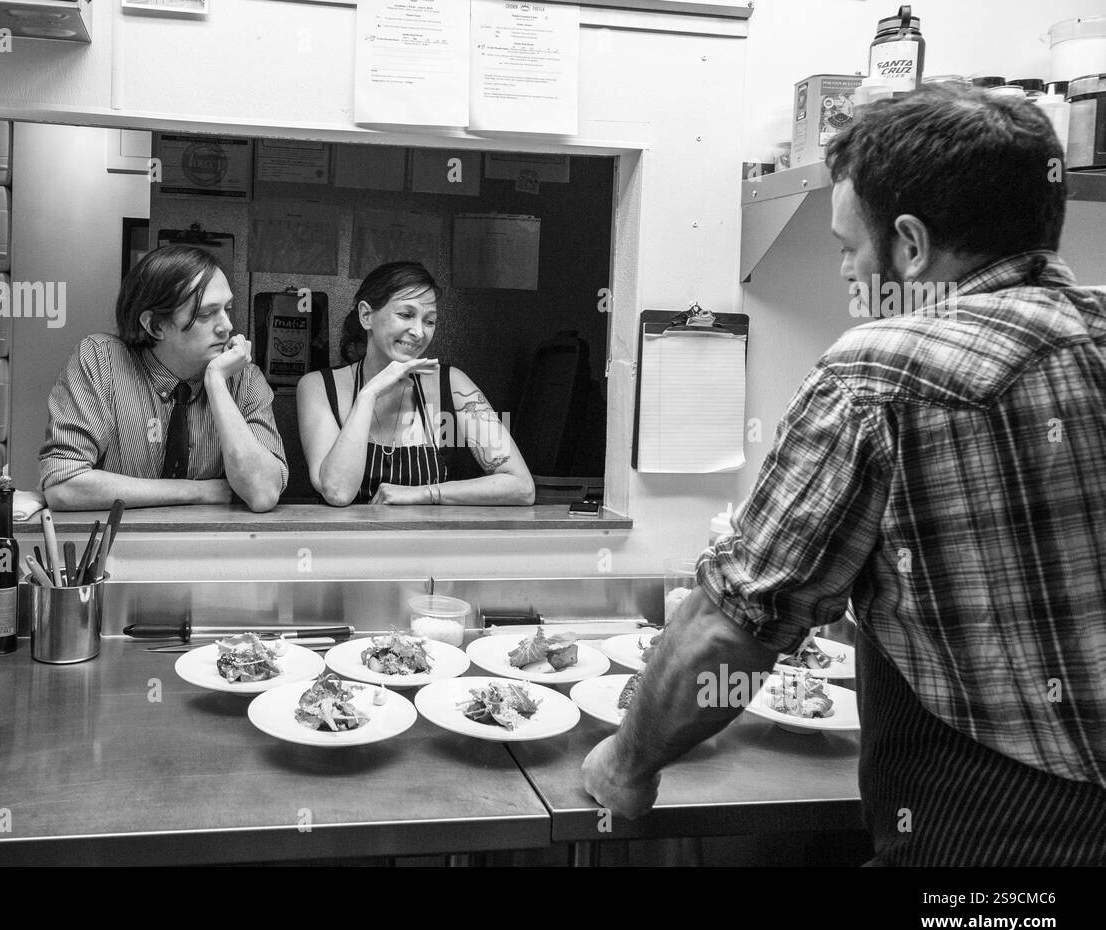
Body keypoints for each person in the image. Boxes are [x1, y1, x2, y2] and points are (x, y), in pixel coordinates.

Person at [583, 86, 1106, 865]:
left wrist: (625, 765)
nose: (845, 273)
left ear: (911, 245)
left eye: (845, 247)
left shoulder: (883, 371)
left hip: (1004, 835)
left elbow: (733, 627)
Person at [38, 245, 287, 511]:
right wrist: (198, 491)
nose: (226, 325)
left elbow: (263, 493)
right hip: (118, 546)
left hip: (212, 546)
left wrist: (216, 382)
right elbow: (63, 486)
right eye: (206, 314)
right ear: (156, 325)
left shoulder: (243, 377)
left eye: (227, 308)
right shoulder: (101, 360)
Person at [296, 261, 535, 507]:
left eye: (429, 321)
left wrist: (425, 493)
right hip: (345, 543)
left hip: (427, 541)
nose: (419, 332)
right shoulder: (318, 387)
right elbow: (337, 492)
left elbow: (521, 487)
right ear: (366, 315)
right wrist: (368, 395)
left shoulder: (452, 383)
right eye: (406, 315)